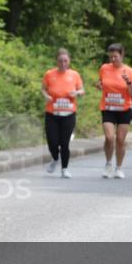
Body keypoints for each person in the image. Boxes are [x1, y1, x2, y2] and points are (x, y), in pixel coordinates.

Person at [96, 43, 132, 179]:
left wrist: (129, 83)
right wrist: (99, 85)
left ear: (122, 55)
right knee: (109, 137)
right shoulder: (104, 68)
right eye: (111, 57)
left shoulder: (129, 71)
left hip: (124, 108)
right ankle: (108, 164)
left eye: (115, 57)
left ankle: (119, 168)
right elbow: (101, 83)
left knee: (120, 139)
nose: (113, 60)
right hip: (108, 107)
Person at [42, 49, 84, 179]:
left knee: (64, 143)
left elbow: (82, 90)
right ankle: (55, 159)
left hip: (69, 114)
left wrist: (76, 93)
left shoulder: (74, 75)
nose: (63, 63)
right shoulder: (49, 74)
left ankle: (64, 169)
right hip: (52, 113)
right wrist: (46, 95)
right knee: (52, 141)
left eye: (65, 61)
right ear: (57, 61)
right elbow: (43, 89)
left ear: (69, 61)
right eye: (60, 61)